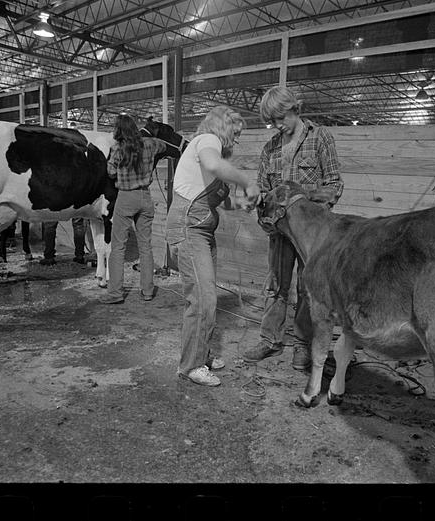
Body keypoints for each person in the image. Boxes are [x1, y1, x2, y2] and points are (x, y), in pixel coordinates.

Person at [243, 86, 344, 371]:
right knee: (276, 285)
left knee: (307, 288)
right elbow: (263, 187)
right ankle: (269, 339)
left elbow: (335, 184)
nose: (277, 126)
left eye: (281, 118)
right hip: (280, 231)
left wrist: (300, 196)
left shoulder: (320, 137)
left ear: (294, 109)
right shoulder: (271, 148)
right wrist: (257, 199)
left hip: (312, 231)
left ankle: (302, 344)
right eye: (272, 121)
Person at [165, 106, 260, 387]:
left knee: (207, 296)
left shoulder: (213, 155)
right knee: (204, 298)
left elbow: (222, 199)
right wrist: (247, 181)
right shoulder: (207, 141)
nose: (236, 140)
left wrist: (241, 203)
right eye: (236, 133)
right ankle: (191, 366)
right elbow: (214, 165)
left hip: (202, 230)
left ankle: (201, 353)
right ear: (223, 127)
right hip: (190, 229)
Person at [99, 114, 167, 304]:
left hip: (126, 198)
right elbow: (163, 145)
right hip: (145, 196)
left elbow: (110, 172)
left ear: (119, 130)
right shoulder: (149, 144)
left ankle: (115, 294)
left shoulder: (117, 148)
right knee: (145, 246)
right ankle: (147, 291)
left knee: (118, 247)